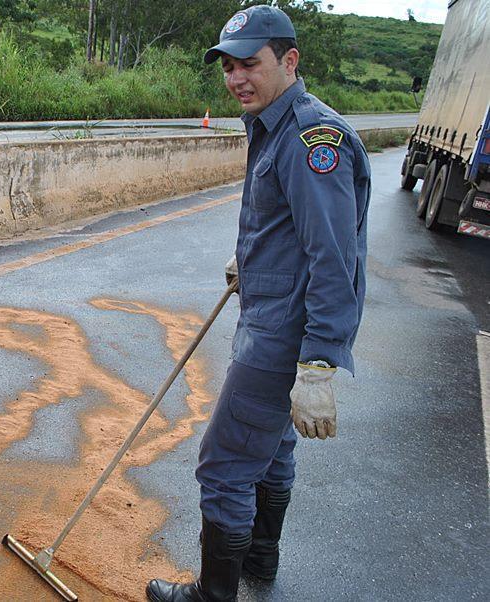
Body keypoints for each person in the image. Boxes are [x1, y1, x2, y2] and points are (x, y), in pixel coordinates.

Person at [146, 5, 371, 602]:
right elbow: (290, 228)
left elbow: (333, 257)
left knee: (224, 465)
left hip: (281, 332)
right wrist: (251, 262)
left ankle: (213, 595)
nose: (236, 78)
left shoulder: (309, 139)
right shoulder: (272, 123)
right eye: (228, 67)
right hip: (271, 310)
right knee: (271, 449)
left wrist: (319, 362)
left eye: (250, 64)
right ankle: (260, 565)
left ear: (289, 61)